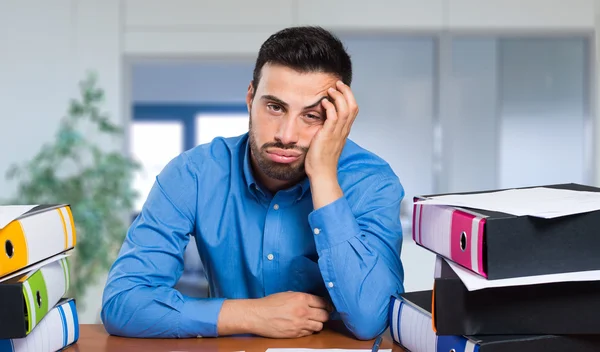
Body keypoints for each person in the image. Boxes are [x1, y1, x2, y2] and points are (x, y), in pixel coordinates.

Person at [101, 26, 405, 341]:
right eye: (275, 107)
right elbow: (123, 302)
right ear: (250, 98)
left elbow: (372, 319)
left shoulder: (372, 181)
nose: (286, 135)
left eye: (312, 116)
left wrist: (324, 176)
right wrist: (253, 315)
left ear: (337, 119)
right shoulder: (193, 173)